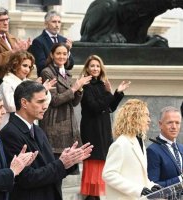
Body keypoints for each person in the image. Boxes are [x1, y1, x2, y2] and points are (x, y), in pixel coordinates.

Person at [0, 80, 94, 200]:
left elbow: (50, 167)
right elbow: (26, 178)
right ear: (24, 102)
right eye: (40, 102)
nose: (45, 106)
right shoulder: (9, 134)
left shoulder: (38, 130)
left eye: (45, 101)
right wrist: (61, 163)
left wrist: (70, 161)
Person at [80, 55, 130, 199]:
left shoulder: (102, 84)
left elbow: (109, 108)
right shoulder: (86, 86)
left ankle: (99, 193)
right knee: (95, 158)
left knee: (103, 158)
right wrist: (109, 94)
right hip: (92, 128)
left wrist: (118, 93)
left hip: (103, 126)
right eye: (92, 66)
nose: (95, 68)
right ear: (87, 68)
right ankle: (92, 195)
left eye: (97, 66)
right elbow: (95, 107)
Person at [39, 43, 92, 161]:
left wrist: (80, 89)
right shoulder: (47, 72)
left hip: (68, 124)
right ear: (52, 55)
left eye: (64, 54)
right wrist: (74, 88)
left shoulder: (67, 73)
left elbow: (74, 102)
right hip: (53, 124)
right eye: (58, 53)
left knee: (65, 165)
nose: (61, 56)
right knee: (54, 162)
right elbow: (54, 100)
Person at [102, 99, 161, 200]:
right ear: (134, 117)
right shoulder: (121, 144)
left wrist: (151, 186)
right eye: (146, 115)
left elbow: (139, 176)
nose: (149, 120)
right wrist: (139, 190)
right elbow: (108, 174)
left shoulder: (139, 141)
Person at [0, 50, 55, 130]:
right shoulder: (6, 83)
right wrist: (32, 93)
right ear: (15, 65)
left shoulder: (29, 82)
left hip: (30, 125)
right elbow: (11, 105)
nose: (27, 70)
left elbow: (44, 104)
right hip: (12, 125)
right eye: (24, 66)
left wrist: (43, 91)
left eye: (29, 67)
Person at [30, 10, 75, 76]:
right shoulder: (38, 41)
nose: (57, 25)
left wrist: (68, 51)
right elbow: (41, 65)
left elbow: (70, 65)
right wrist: (59, 61)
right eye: (54, 22)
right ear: (46, 23)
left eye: (59, 22)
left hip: (63, 79)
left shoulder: (64, 40)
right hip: (47, 79)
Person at [147, 106, 183, 187]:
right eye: (170, 122)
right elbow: (153, 186)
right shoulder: (152, 150)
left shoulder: (181, 148)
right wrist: (180, 179)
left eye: (177, 123)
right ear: (160, 124)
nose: (174, 127)